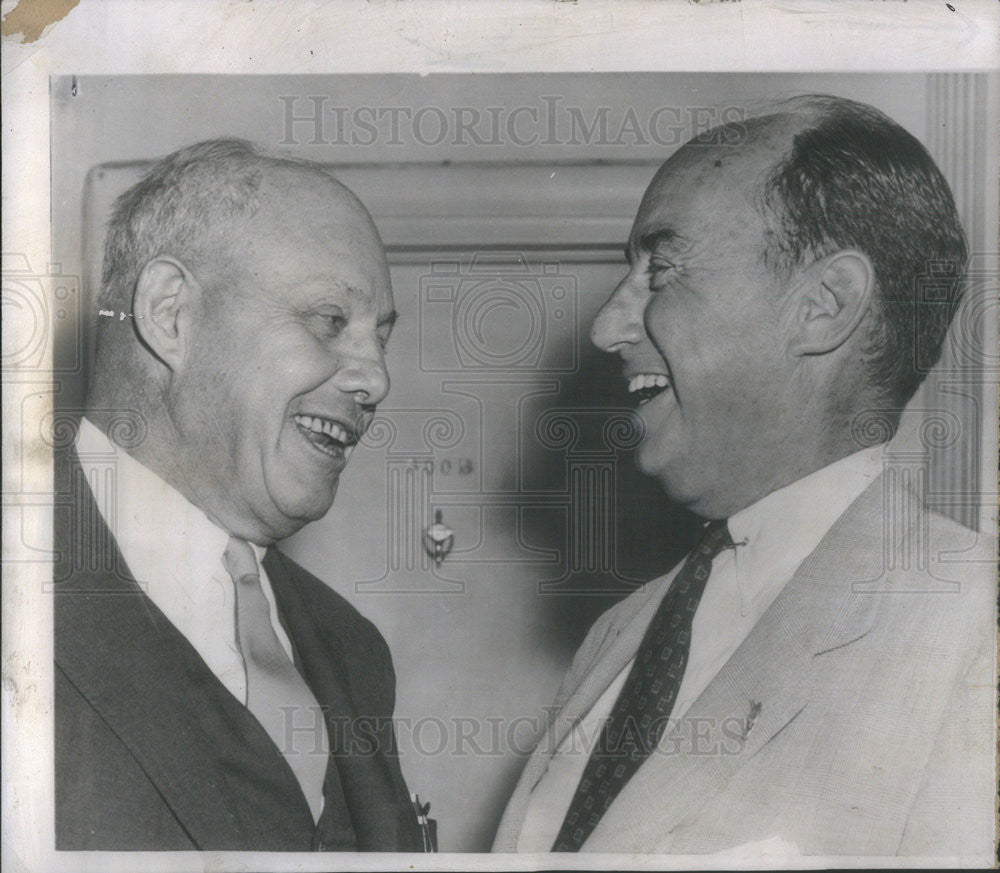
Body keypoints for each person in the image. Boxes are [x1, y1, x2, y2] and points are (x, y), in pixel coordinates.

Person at [493, 95, 995, 857]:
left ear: (824, 306)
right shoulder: (621, 634)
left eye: (661, 269)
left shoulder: (969, 632)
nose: (606, 327)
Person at [55, 139, 424, 851]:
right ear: (170, 315)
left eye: (380, 338)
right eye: (328, 321)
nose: (375, 380)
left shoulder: (352, 648)